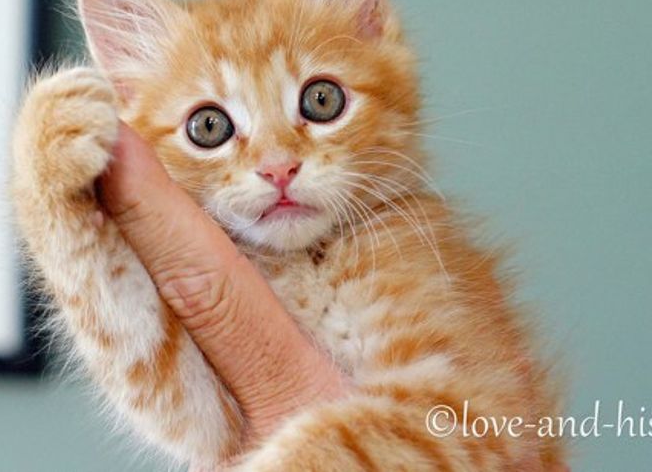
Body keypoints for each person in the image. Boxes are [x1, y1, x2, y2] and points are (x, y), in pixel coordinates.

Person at [99, 123, 569, 471]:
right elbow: (178, 409)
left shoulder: (400, 241)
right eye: (211, 128)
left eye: (319, 103)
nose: (278, 164)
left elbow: (477, 426)